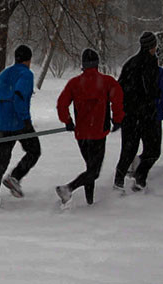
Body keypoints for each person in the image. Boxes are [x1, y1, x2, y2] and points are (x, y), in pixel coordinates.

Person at [55, 49, 124, 207]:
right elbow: (118, 100)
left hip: (81, 134)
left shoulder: (74, 83)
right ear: (97, 63)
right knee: (94, 171)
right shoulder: (107, 81)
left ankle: (89, 201)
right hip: (99, 133)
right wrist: (117, 119)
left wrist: (67, 121)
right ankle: (68, 188)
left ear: (83, 64)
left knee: (90, 168)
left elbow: (62, 104)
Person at [0, 45, 41, 210]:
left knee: (0, 163)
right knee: (34, 151)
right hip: (19, 123)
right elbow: (19, 97)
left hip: (3, 124)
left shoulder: (4, 73)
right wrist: (25, 120)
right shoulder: (26, 74)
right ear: (28, 60)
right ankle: (14, 177)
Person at [113, 31, 162, 193]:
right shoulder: (150, 64)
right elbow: (151, 90)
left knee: (128, 150)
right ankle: (139, 178)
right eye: (154, 45)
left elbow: (119, 88)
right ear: (151, 47)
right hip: (146, 115)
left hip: (130, 115)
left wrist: (122, 111)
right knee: (153, 149)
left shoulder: (130, 63)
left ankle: (119, 182)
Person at [127, 55, 163, 178]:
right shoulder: (162, 73)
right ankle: (140, 176)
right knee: (155, 151)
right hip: (155, 115)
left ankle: (138, 163)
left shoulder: (138, 74)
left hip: (140, 115)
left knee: (148, 147)